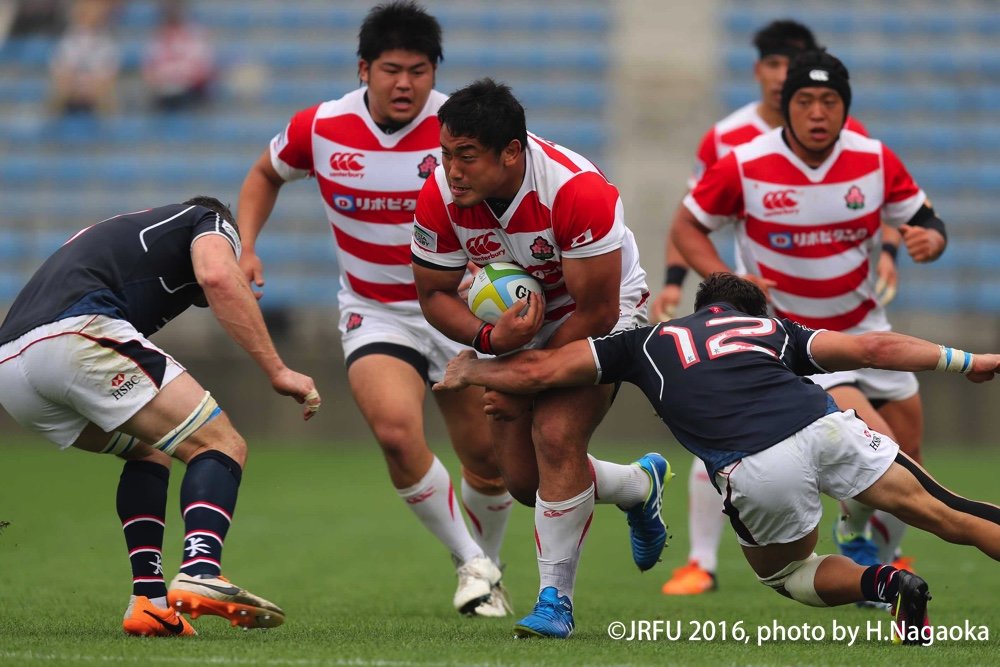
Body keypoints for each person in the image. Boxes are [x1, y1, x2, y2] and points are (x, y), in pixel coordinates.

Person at [434, 272, 1000, 646]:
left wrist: (473, 370)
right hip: (831, 430)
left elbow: (539, 372)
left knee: (787, 573)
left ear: (704, 309)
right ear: (751, 311)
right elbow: (875, 349)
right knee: (954, 512)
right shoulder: (771, 329)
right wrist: (965, 359)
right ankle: (889, 566)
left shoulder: (646, 341)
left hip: (757, 465)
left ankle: (883, 583)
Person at [235, 1, 513, 617]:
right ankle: (472, 563)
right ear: (364, 69)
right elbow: (264, 173)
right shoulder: (321, 127)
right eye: (392, 68)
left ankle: (489, 568)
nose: (405, 83)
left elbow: (516, 195)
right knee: (394, 431)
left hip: (461, 311)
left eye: (419, 69)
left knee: (491, 465)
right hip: (375, 310)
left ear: (436, 71)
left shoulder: (462, 132)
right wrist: (247, 246)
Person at [668, 49, 948, 592]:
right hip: (803, 343)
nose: (818, 112)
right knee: (885, 453)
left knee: (909, 457)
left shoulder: (874, 159)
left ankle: (869, 553)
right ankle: (869, 566)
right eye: (805, 101)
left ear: (845, 108)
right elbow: (686, 226)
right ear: (786, 107)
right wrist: (731, 279)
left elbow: (923, 218)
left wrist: (929, 241)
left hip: (871, 329)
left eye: (830, 101)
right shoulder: (745, 163)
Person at [410, 78, 668, 639]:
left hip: (602, 312)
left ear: (511, 153)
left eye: (467, 157)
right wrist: (490, 340)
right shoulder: (441, 195)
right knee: (526, 484)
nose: (451, 171)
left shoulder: (577, 191)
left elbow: (596, 311)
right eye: (446, 154)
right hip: (515, 327)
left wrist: (518, 376)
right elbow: (432, 293)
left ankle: (556, 602)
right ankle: (638, 486)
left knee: (556, 436)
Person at [0, 197, 322, 636]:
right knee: (220, 444)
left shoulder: (135, 237)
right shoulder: (207, 219)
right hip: (74, 332)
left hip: (12, 372)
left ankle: (149, 603)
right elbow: (215, 274)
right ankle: (202, 569)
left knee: (150, 451)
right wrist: (278, 369)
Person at [141, 0, 216, 112]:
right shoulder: (157, 37)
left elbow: (205, 68)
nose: (173, 12)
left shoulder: (195, 35)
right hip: (163, 91)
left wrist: (183, 79)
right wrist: (165, 80)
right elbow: (148, 70)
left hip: (191, 90)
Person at [48, 0, 120, 116]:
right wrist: (73, 88)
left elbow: (109, 71)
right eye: (88, 12)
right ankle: (52, 127)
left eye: (95, 13)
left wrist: (92, 88)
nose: (92, 16)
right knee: (57, 91)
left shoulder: (106, 41)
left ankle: (106, 130)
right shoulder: (68, 39)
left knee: (108, 95)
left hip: (96, 91)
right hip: (71, 89)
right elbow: (60, 69)